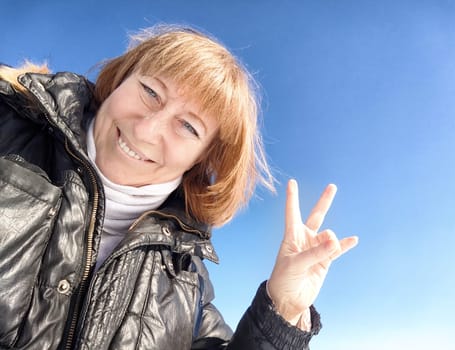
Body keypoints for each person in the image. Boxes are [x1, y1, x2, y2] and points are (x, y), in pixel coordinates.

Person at [0, 25, 358, 350]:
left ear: (201, 160)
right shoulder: (7, 129)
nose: (147, 130)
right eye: (150, 91)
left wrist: (282, 308)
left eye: (188, 127)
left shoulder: (187, 280)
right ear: (121, 78)